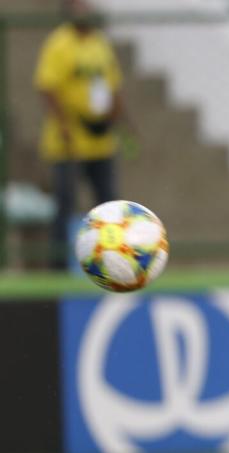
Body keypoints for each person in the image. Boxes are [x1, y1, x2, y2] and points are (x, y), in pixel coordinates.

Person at [34, 0, 129, 270]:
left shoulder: (100, 43)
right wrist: (64, 126)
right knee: (65, 204)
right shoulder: (59, 43)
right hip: (69, 143)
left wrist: (118, 116)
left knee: (109, 203)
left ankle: (114, 261)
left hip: (100, 140)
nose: (84, 10)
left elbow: (113, 83)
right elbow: (47, 87)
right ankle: (58, 268)